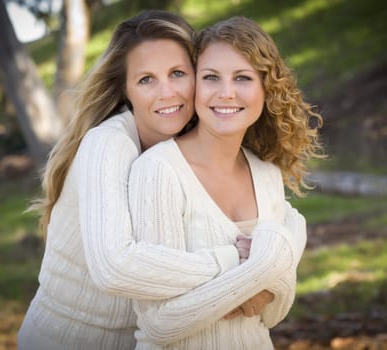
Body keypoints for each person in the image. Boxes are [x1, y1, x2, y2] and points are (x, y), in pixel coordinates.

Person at [17, 10, 247, 350]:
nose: (167, 93)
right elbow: (114, 267)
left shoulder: (192, 149)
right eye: (146, 80)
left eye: (178, 73)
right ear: (125, 92)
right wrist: (230, 262)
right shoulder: (107, 143)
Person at [128, 16, 324, 349]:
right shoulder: (159, 170)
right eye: (211, 78)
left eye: (243, 78)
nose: (226, 93)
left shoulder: (267, 175)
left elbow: (273, 312)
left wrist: (260, 280)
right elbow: (160, 323)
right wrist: (260, 269)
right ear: (194, 86)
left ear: (266, 89)